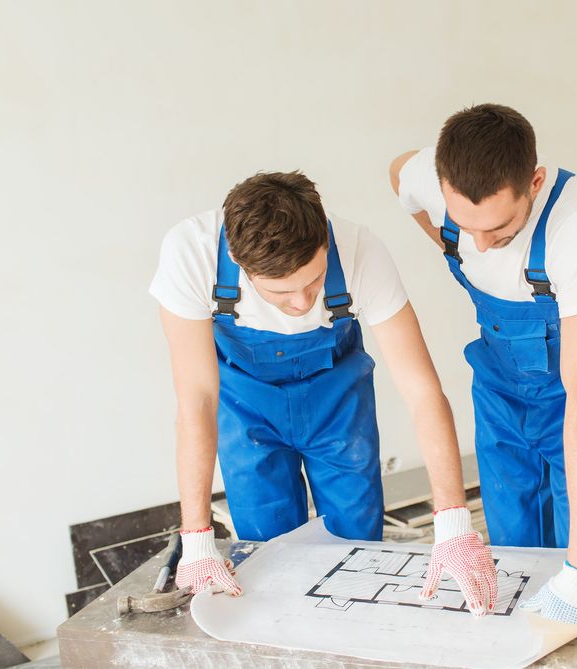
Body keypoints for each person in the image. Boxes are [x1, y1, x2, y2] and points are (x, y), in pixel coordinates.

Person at [150, 171, 496, 615]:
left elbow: (422, 390)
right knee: (265, 548)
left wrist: (453, 521)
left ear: (326, 246)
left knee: (357, 541)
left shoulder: (361, 252)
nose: (301, 304)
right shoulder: (190, 253)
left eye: (313, 283)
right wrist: (196, 541)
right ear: (238, 260)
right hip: (246, 403)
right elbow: (196, 400)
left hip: (337, 400)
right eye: (281, 292)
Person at [389, 104, 577, 627]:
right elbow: (398, 171)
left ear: (535, 182)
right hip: (500, 387)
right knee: (513, 544)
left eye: (498, 228)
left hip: (575, 389)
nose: (479, 242)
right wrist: (449, 244)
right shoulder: (433, 184)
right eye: (463, 224)